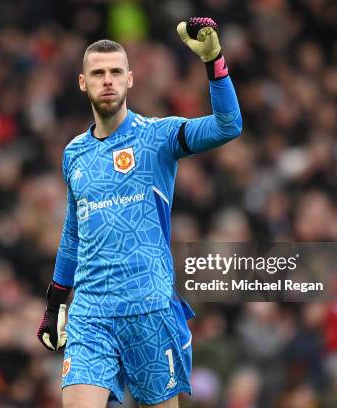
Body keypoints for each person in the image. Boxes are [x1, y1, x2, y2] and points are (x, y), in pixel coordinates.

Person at [37, 17, 242, 408]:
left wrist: (214, 62)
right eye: (98, 73)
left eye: (116, 72)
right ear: (83, 83)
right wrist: (55, 304)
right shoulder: (74, 153)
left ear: (130, 79)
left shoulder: (157, 137)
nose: (108, 80)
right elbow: (72, 233)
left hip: (149, 308)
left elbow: (227, 125)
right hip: (91, 314)